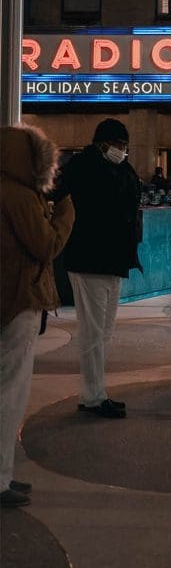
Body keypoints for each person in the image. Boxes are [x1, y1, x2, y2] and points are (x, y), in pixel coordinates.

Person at [1, 124, 74, 509]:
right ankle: (0, 477)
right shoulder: (21, 197)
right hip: (19, 298)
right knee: (11, 390)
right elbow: (46, 246)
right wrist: (65, 216)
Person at [60, 119, 141, 418]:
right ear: (102, 144)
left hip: (113, 261)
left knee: (104, 332)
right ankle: (93, 396)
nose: (123, 151)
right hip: (90, 258)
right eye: (119, 145)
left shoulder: (121, 169)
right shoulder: (83, 168)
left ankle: (95, 392)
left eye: (125, 146)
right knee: (93, 333)